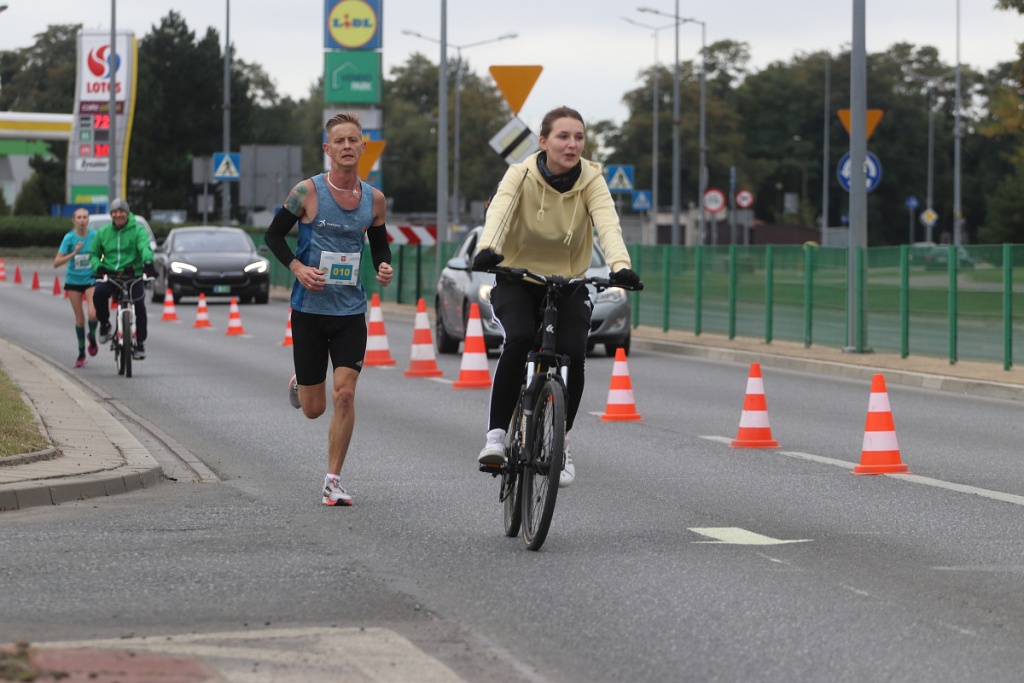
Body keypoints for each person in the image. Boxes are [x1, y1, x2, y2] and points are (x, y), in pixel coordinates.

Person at [472, 105, 641, 488]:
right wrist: (488, 247)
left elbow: (607, 223)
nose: (572, 144)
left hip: (568, 280)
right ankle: (496, 437)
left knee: (573, 352)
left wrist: (619, 264)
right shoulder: (520, 174)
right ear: (544, 142)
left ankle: (560, 443)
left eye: (578, 137)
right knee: (517, 338)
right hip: (517, 274)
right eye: (563, 137)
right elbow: (499, 212)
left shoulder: (592, 180)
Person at [264, 112, 394, 507]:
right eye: (340, 141)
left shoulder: (374, 200)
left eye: (354, 140)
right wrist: (298, 268)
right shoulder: (306, 192)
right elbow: (273, 236)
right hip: (309, 310)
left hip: (350, 312)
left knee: (346, 395)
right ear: (328, 149)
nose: (347, 147)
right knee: (314, 409)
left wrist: (384, 266)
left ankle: (332, 480)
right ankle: (301, 386)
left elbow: (379, 244)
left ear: (363, 146)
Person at [88, 198, 156, 361]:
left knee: (139, 305)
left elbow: (144, 247)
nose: (118, 215)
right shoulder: (103, 232)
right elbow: (93, 254)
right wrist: (99, 267)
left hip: (133, 274)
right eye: (115, 212)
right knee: (98, 293)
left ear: (127, 213)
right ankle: (104, 325)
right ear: (111, 214)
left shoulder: (137, 230)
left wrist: (148, 262)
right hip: (110, 274)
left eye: (121, 211)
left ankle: (139, 343)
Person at [54, 208, 99, 368]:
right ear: (73, 220)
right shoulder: (69, 238)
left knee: (93, 314)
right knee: (80, 319)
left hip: (90, 279)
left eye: (85, 217)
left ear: (88, 220)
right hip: (73, 281)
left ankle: (92, 337)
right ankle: (81, 353)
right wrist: (73, 253)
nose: (82, 220)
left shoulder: (94, 236)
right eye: (79, 217)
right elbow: (56, 263)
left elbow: (102, 254)